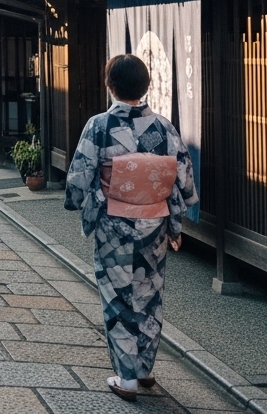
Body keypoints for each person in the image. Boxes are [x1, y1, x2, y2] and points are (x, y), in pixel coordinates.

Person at [64, 54, 198, 402]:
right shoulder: (163, 127)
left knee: (118, 296)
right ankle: (144, 369)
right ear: (146, 86)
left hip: (114, 226)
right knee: (149, 294)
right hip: (154, 226)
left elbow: (79, 176)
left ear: (109, 85)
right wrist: (178, 212)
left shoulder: (99, 126)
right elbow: (183, 177)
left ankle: (126, 378)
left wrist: (77, 200)